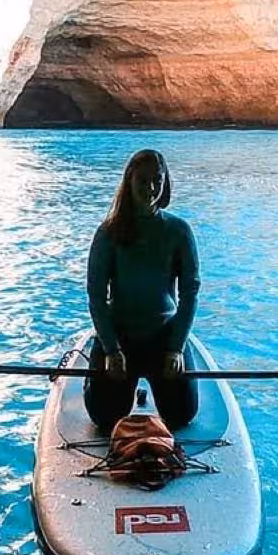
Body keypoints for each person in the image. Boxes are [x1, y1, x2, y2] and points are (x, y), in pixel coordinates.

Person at [84, 149, 201, 433]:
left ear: (165, 183)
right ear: (129, 182)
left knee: (183, 416)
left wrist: (176, 347)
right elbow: (96, 297)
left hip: (164, 337)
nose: (150, 188)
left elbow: (190, 294)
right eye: (143, 180)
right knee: (104, 418)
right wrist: (110, 349)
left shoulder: (179, 231)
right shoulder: (108, 233)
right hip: (120, 339)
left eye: (157, 181)